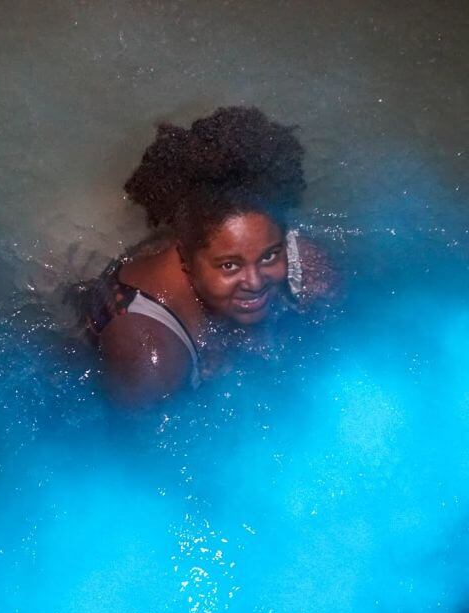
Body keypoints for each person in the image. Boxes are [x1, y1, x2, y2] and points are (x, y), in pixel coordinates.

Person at [85, 106, 334, 405]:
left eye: (269, 255)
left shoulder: (307, 263)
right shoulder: (150, 358)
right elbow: (134, 447)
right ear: (185, 259)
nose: (255, 281)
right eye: (230, 265)